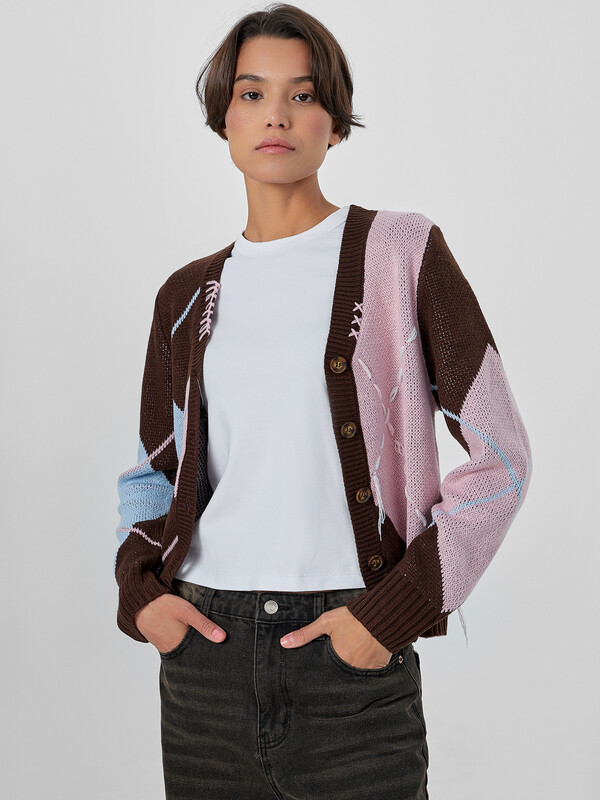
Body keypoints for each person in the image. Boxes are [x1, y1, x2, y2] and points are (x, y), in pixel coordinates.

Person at [114, 4, 532, 799]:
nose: (276, 114)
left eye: (302, 95)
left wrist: (394, 612)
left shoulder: (401, 252)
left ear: (335, 123)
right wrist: (141, 598)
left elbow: (502, 459)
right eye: (251, 94)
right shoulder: (185, 295)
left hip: (353, 656)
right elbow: (151, 475)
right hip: (203, 666)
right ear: (224, 119)